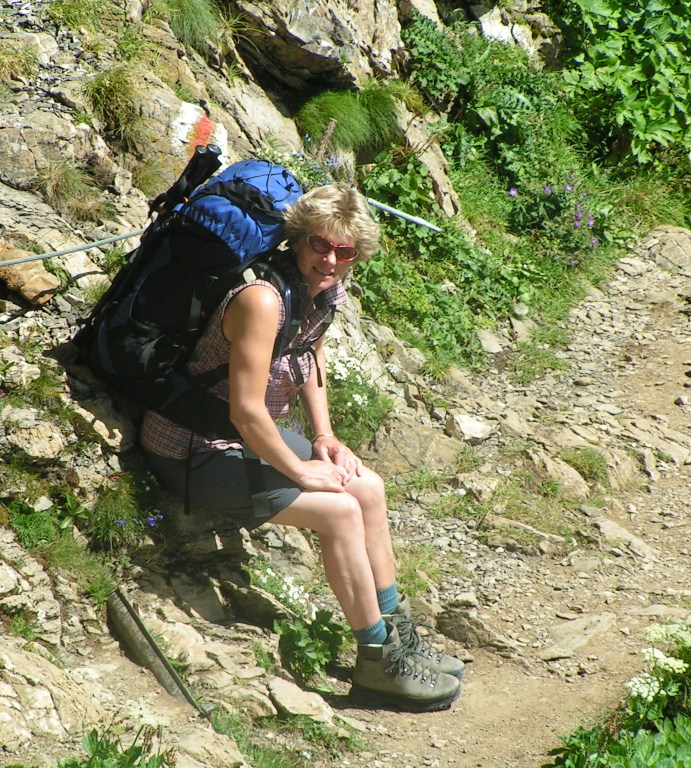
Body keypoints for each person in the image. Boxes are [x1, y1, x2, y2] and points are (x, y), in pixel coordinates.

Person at [140, 182, 464, 711]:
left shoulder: (318, 292)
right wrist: (301, 469)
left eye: (345, 251)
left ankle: (399, 637)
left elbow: (310, 355)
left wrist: (324, 436)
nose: (331, 259)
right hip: (193, 446)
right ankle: (377, 662)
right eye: (320, 243)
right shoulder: (262, 300)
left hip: (241, 439)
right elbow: (246, 412)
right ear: (296, 238)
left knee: (367, 488)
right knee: (339, 512)